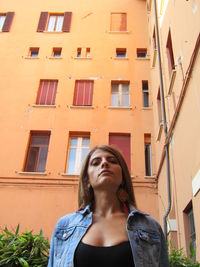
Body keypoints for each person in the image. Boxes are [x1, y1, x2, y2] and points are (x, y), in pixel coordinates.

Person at [48, 145, 169, 267]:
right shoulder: (64, 226)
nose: (105, 163)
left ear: (122, 177)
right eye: (96, 163)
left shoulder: (150, 227)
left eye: (112, 161)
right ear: (87, 180)